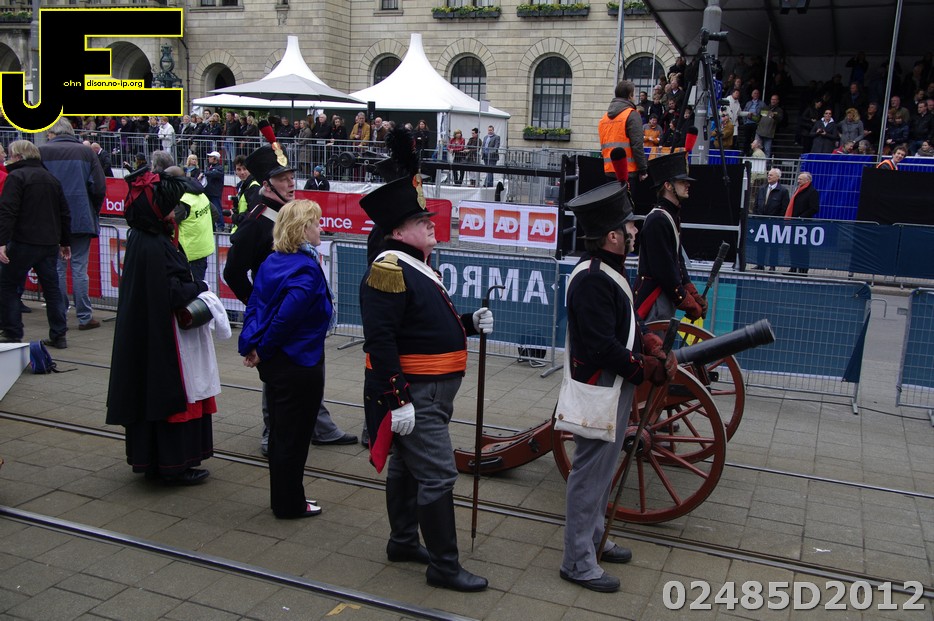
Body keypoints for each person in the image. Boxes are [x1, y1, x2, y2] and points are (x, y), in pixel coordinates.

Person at [359, 166, 493, 593]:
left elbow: (420, 325)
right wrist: (398, 400)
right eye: (421, 221)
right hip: (415, 394)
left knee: (408, 466)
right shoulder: (389, 269)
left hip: (430, 393)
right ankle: (444, 567)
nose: (431, 224)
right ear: (398, 232)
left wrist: (468, 323)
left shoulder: (413, 266)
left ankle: (402, 541)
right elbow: (381, 341)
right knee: (438, 475)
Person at [560, 182, 676, 594]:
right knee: (589, 476)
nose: (635, 231)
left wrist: (650, 343)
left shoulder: (609, 269)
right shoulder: (592, 279)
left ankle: (594, 538)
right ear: (612, 235)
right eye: (629, 226)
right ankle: (577, 560)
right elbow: (600, 346)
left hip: (613, 386)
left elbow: (626, 324)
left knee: (604, 472)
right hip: (599, 389)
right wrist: (643, 367)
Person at [224, 138, 356, 456]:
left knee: (308, 365)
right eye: (283, 178)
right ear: (266, 184)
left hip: (301, 313)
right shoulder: (256, 222)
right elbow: (233, 273)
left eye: (291, 176)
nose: (291, 183)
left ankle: (318, 426)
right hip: (281, 312)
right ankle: (273, 432)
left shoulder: (286, 213)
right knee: (277, 370)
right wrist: (260, 308)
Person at [106, 166, 228, 486]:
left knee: (148, 395)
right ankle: (173, 464)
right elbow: (172, 291)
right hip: (165, 338)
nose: (175, 213)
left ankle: (153, 460)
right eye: (170, 207)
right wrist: (200, 287)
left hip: (147, 333)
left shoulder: (141, 237)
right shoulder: (155, 243)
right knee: (170, 396)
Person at [239, 200, 332, 519]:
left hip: (277, 363)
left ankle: (283, 498)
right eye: (316, 223)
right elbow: (285, 318)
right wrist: (261, 348)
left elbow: (255, 305)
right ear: (302, 229)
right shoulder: (305, 267)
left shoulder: (272, 261)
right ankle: (290, 503)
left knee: (281, 435)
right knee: (294, 439)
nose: (320, 228)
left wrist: (252, 345)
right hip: (299, 362)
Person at [0, 140, 71, 346]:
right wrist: (65, 241)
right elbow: (64, 213)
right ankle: (59, 334)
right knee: (52, 289)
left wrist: (2, 241)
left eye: (11, 155)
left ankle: (13, 332)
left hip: (23, 241)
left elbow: (8, 211)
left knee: (7, 285)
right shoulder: (51, 178)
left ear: (18, 156)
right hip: (48, 243)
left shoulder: (16, 177)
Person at [40, 117, 106, 333]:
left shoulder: (42, 151)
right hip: (80, 217)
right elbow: (99, 187)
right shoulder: (86, 152)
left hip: (52, 220)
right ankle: (84, 316)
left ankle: (60, 314)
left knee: (58, 269)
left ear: (52, 133)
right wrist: (92, 210)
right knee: (79, 268)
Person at [633, 152, 705, 323]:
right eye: (681, 181)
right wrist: (686, 301)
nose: (687, 184)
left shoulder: (670, 217)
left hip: (664, 297)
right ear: (668, 185)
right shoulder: (658, 220)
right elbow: (664, 270)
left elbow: (677, 261)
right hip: (654, 300)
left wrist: (691, 290)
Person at [165, 166, 215, 283]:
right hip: (201, 251)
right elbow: (215, 214)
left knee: (188, 291)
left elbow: (168, 225)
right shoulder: (200, 194)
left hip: (188, 256)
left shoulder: (182, 201)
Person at [598, 80, 648, 182]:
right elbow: (637, 145)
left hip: (609, 170)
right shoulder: (632, 115)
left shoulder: (604, 118)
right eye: (634, 94)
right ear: (630, 96)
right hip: (628, 171)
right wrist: (643, 169)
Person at [753, 168, 790, 271]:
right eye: (768, 175)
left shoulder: (783, 191)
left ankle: (772, 265)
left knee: (774, 246)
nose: (769, 176)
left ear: (778, 177)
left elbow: (784, 208)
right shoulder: (762, 188)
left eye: (771, 175)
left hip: (774, 223)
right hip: (761, 222)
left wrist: (777, 220)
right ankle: (760, 264)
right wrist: (756, 216)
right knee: (760, 244)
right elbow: (756, 204)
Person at [785, 171, 820, 274]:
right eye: (798, 179)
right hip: (794, 223)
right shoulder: (798, 190)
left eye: (800, 179)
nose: (798, 181)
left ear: (807, 180)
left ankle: (803, 269)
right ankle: (793, 267)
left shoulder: (812, 192)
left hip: (803, 225)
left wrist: (801, 217)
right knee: (793, 247)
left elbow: (814, 208)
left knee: (803, 248)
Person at [231, 154, 260, 232]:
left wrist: (235, 217)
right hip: (242, 230)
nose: (242, 172)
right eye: (239, 169)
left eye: (245, 169)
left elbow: (253, 214)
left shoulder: (254, 187)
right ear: (235, 171)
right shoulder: (242, 185)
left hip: (247, 231)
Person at [200, 151, 225, 231]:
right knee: (209, 210)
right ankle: (212, 226)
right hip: (208, 192)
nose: (209, 158)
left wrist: (205, 173)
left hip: (215, 193)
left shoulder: (219, 168)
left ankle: (220, 226)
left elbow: (214, 174)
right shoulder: (210, 167)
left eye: (211, 157)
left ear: (215, 159)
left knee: (217, 210)